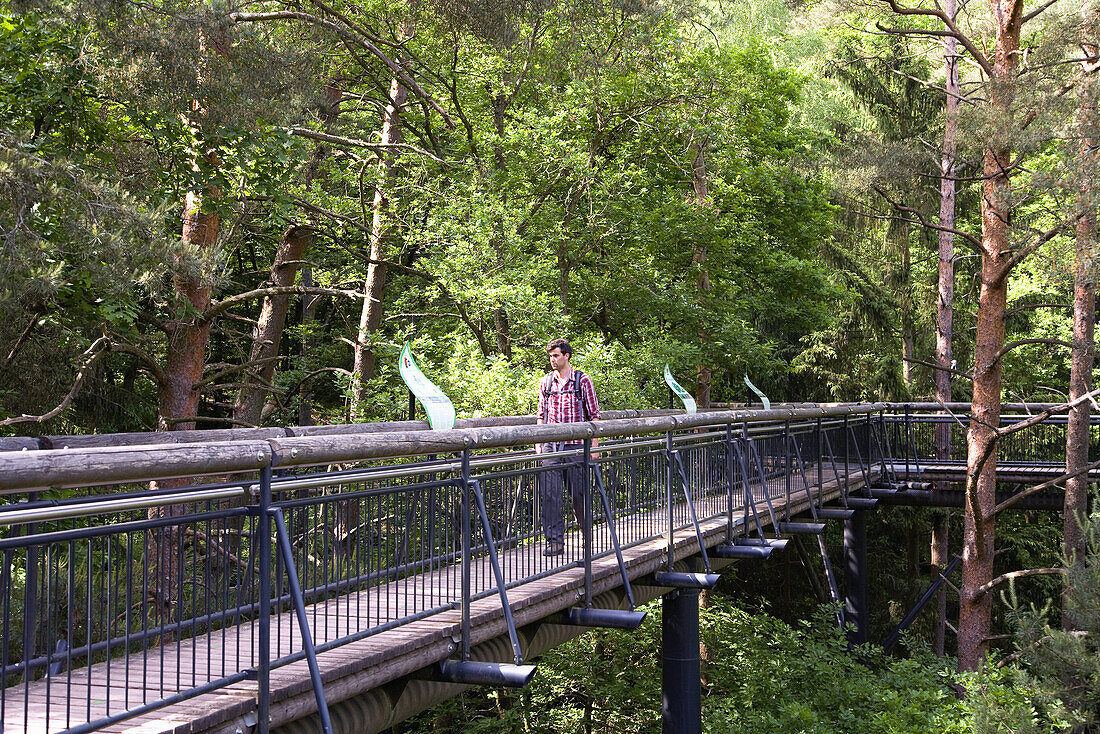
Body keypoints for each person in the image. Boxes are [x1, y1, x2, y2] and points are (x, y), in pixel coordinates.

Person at [535, 338, 600, 556]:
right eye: (550, 356)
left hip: (576, 447)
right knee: (550, 495)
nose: (552, 360)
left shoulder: (582, 381)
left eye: (556, 356)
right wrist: (538, 443)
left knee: (579, 494)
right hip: (551, 447)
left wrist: (595, 446)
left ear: (566, 356)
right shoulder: (546, 383)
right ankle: (554, 542)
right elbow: (541, 416)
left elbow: (595, 417)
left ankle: (587, 535)